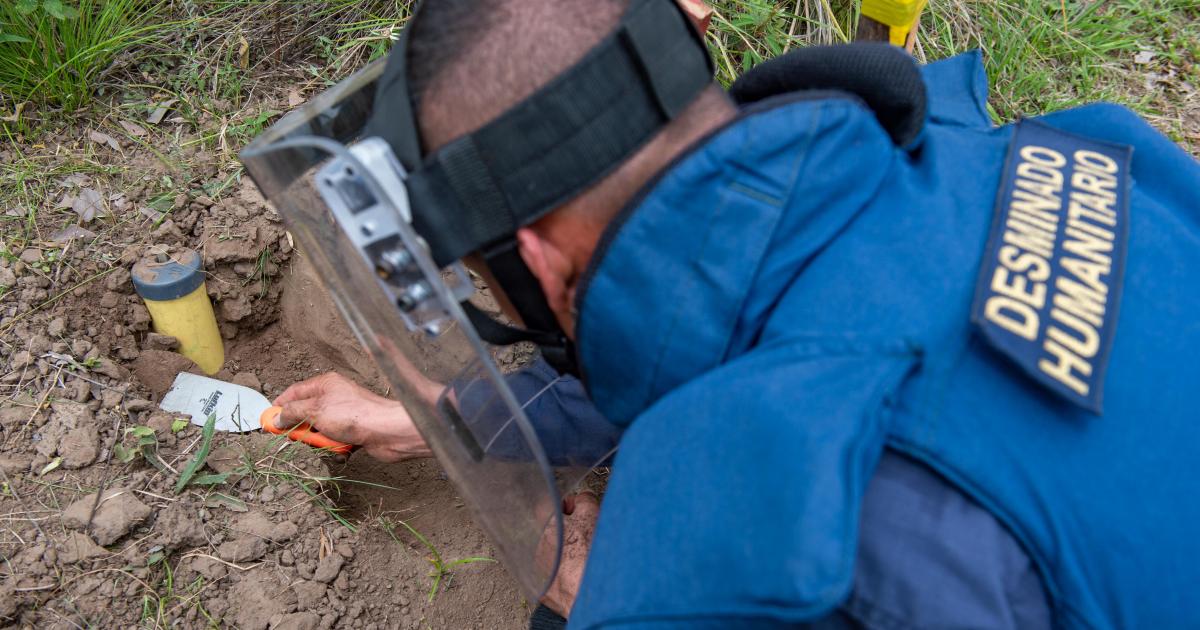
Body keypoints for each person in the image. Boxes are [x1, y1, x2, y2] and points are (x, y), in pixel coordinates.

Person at [263, 0, 1200, 628]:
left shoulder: (768, 564)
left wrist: (599, 596)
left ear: (536, 257)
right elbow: (689, 327)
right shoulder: (1075, 156)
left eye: (484, 280)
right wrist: (425, 421)